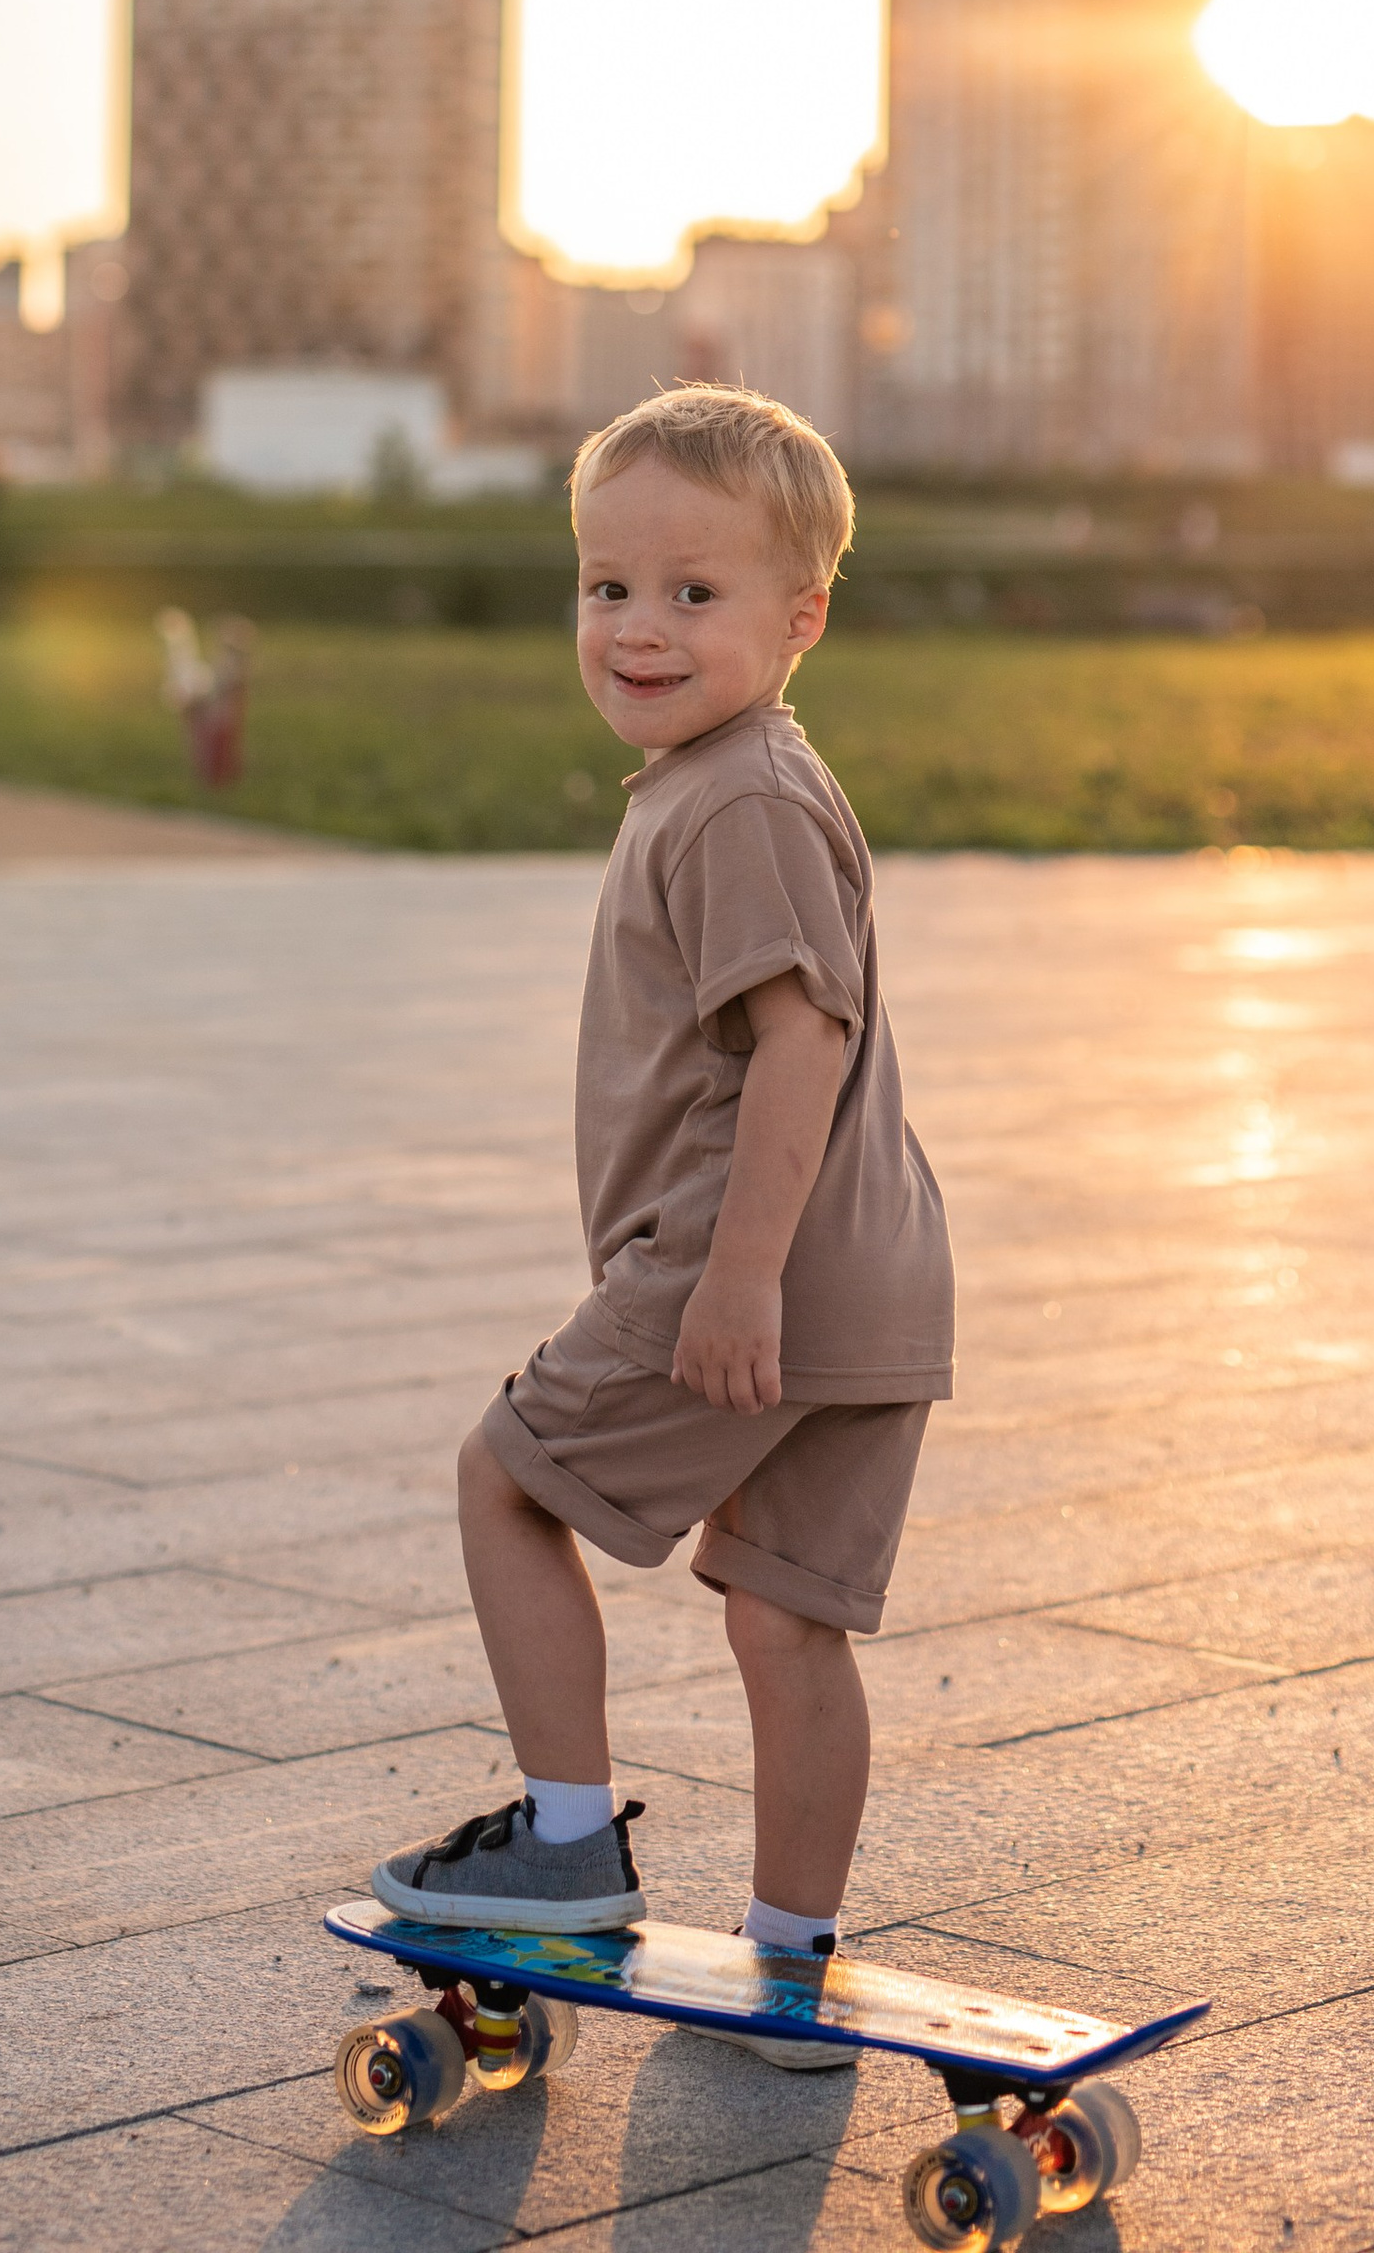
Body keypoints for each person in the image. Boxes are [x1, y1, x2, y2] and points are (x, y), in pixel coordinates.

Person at [370, 384, 954, 2053]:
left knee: (506, 1480)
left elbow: (801, 1042)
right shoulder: (734, 777)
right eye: (606, 585)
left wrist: (737, 1283)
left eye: (694, 594)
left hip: (743, 1263)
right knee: (786, 1615)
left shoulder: (742, 799)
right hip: (877, 1282)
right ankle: (791, 1958)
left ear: (801, 618)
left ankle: (563, 1853)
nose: (638, 628)